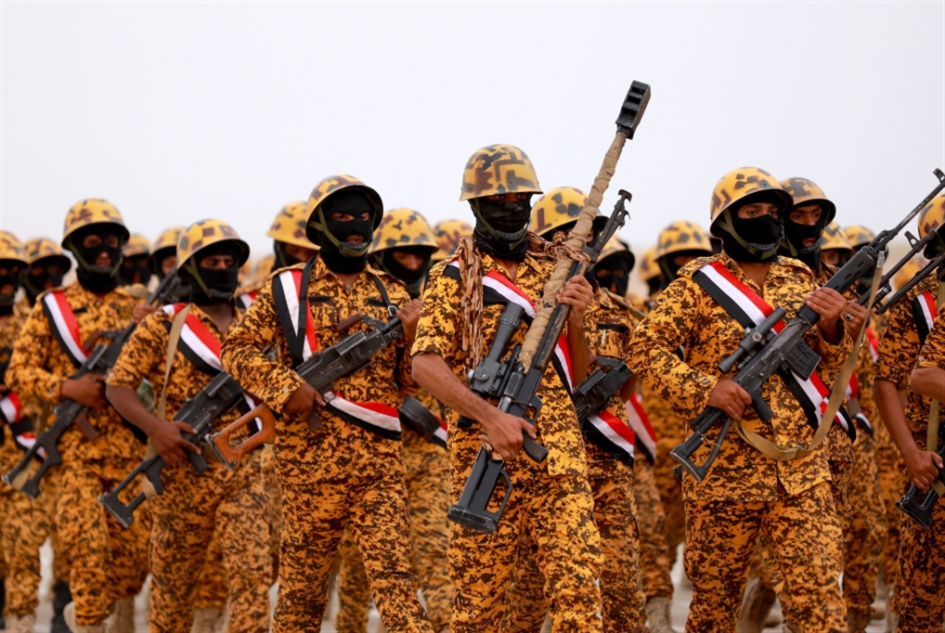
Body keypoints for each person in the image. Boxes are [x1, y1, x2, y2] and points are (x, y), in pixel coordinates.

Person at [628, 167, 851, 631]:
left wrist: (833, 329)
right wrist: (707, 389)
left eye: (772, 211)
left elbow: (828, 368)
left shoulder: (799, 277)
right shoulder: (696, 284)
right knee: (714, 608)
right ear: (726, 222)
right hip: (724, 474)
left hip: (800, 470)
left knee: (821, 601)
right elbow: (644, 349)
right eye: (752, 212)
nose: (766, 220)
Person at [220, 175, 432, 632]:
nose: (355, 227)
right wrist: (285, 388)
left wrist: (413, 337)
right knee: (301, 601)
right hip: (308, 471)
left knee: (398, 590)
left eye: (363, 217)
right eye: (341, 216)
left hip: (378, 468)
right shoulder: (286, 288)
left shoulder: (393, 293)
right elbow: (235, 350)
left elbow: (406, 384)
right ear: (319, 226)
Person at [412, 145, 602, 633]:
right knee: (479, 612)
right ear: (476, 206)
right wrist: (492, 417)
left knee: (580, 599)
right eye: (499, 200)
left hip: (558, 458)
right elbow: (425, 365)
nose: (512, 208)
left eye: (521, 199)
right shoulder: (454, 277)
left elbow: (582, 377)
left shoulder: (556, 270)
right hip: (485, 460)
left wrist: (577, 319)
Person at [7, 199, 150, 633]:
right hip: (73, 459)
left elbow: (158, 382)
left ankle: (89, 612)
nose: (104, 251)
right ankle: (87, 622)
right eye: (92, 243)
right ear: (73, 248)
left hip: (127, 455)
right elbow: (18, 372)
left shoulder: (136, 308)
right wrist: (67, 388)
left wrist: (151, 332)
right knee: (88, 554)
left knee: (132, 565)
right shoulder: (52, 308)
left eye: (111, 242)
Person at [333, 207, 453, 633]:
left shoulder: (440, 307)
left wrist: (417, 333)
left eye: (420, 255)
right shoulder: (356, 307)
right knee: (358, 571)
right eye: (402, 255)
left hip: (428, 457)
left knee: (437, 556)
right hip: (370, 459)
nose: (413, 263)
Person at [875, 192, 945, 631]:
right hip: (933, 460)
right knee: (921, 602)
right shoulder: (917, 300)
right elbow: (892, 381)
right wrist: (910, 454)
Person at [0, 231, 50, 633]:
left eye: (14, 270)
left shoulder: (31, 324)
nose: (7, 279)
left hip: (22, 459)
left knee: (24, 552)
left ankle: (20, 625)